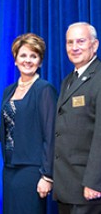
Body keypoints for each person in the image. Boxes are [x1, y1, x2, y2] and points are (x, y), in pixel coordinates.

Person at [0, 33, 57, 214]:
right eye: (23, 55)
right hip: (9, 170)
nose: (28, 60)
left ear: (40, 61)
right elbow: (9, 128)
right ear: (15, 60)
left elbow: (51, 134)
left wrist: (47, 175)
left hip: (32, 171)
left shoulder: (44, 89)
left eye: (34, 56)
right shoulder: (9, 91)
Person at [53, 22, 101, 213]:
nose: (74, 47)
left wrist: (94, 181)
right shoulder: (68, 80)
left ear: (94, 45)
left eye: (80, 41)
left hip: (87, 187)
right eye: (69, 42)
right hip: (67, 186)